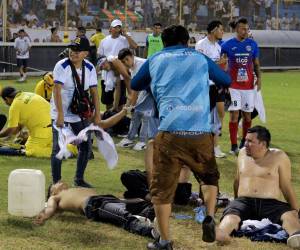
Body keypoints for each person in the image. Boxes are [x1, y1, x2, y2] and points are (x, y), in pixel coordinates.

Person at [131, 25, 231, 250]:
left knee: (163, 190)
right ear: (187, 41)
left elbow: (135, 84)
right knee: (208, 177)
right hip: (200, 130)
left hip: (170, 131)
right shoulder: (199, 58)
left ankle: (165, 241)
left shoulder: (156, 58)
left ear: (164, 42)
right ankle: (209, 215)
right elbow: (225, 80)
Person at [216, 126, 300, 248]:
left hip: (270, 203)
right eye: (246, 140)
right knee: (231, 216)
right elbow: (237, 180)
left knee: (289, 215)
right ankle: (221, 234)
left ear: (263, 143)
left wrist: (296, 210)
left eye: (250, 141)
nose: (246, 144)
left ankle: (296, 236)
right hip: (244, 201)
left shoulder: (279, 157)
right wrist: (235, 204)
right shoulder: (242, 153)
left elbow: (286, 187)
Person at [50, 37, 101, 188]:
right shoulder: (62, 65)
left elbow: (94, 92)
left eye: (77, 50)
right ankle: (56, 183)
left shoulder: (90, 68)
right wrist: (59, 114)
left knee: (85, 146)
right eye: (72, 49)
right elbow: (56, 91)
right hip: (59, 112)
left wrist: (97, 114)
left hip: (78, 114)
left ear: (85, 53)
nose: (73, 53)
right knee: (58, 149)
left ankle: (79, 179)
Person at [34, 181, 159, 239]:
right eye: (56, 183)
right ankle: (150, 231)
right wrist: (44, 215)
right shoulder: (55, 197)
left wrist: (128, 201)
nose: (60, 182)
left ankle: (150, 215)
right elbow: (50, 208)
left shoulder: (74, 189)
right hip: (93, 204)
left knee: (140, 203)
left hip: (107, 199)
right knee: (123, 216)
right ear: (53, 190)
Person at [221, 18, 262, 155]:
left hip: (248, 87)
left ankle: (244, 143)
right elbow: (223, 64)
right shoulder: (227, 45)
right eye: (243, 28)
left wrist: (259, 78)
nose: (246, 31)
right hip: (233, 86)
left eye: (247, 28)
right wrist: (224, 81)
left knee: (248, 116)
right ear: (237, 29)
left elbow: (256, 64)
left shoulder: (253, 45)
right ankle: (233, 146)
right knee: (234, 114)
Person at [195, 20, 227, 158]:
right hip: (204, 86)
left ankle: (215, 146)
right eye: (221, 29)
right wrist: (217, 63)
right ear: (214, 30)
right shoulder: (201, 44)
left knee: (219, 114)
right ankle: (203, 146)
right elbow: (199, 65)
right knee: (204, 118)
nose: (222, 32)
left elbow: (219, 67)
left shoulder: (218, 47)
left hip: (216, 85)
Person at [117, 48, 159, 151]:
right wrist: (131, 105)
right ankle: (130, 138)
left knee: (145, 115)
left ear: (132, 56)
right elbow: (135, 87)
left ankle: (142, 142)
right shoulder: (132, 66)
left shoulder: (141, 64)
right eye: (123, 62)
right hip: (146, 89)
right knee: (136, 113)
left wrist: (130, 105)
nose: (126, 63)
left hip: (155, 90)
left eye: (127, 59)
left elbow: (135, 89)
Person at [0, 86, 52, 157]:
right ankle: (66, 147)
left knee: (29, 151)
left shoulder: (15, 106)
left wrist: (0, 135)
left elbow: (11, 130)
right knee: (25, 142)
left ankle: (61, 152)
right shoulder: (29, 94)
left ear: (6, 99)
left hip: (42, 133)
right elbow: (17, 128)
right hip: (56, 128)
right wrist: (8, 139)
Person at [97, 19, 137, 110]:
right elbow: (100, 56)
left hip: (121, 73)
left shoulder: (125, 39)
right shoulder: (104, 41)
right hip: (107, 74)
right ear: (110, 28)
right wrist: (106, 66)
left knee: (120, 102)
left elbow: (134, 46)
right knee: (108, 101)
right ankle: (109, 117)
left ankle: (119, 120)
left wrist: (126, 35)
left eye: (119, 27)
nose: (117, 29)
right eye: (115, 27)